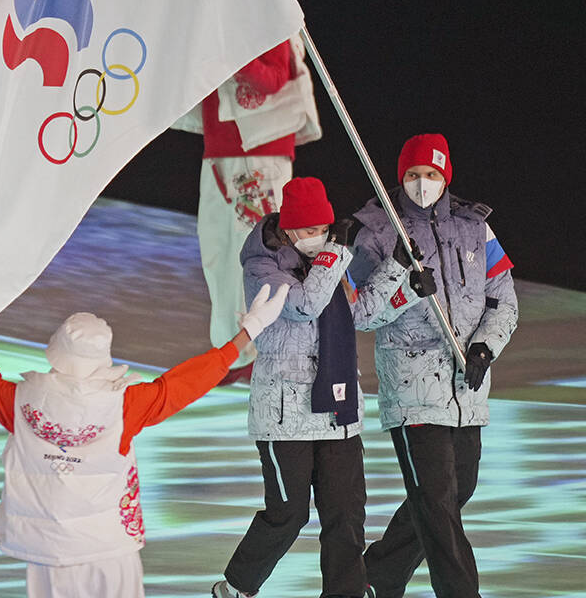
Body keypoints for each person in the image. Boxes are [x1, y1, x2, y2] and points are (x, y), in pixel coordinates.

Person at [0, 278, 290, 598]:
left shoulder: (19, 402)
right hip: (109, 549)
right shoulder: (127, 405)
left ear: (55, 350)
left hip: (46, 554)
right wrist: (248, 330)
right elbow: (186, 382)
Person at [211, 177, 436, 598]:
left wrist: (401, 276)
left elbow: (362, 314)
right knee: (288, 515)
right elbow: (303, 305)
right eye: (309, 231)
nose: (317, 239)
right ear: (289, 229)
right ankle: (237, 585)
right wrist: (335, 251)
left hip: (337, 414)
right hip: (286, 418)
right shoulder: (262, 267)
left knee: (346, 515)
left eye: (323, 230)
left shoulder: (330, 262)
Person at [350, 134, 518, 598]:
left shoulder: (474, 229)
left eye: (430, 175)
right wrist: (399, 277)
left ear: (446, 176)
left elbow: (504, 301)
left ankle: (375, 576)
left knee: (455, 490)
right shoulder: (379, 232)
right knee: (438, 504)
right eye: (411, 175)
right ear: (398, 178)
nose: (421, 184)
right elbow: (358, 314)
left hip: (465, 387)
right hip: (412, 390)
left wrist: (485, 348)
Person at [171, 36, 321, 383]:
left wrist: (221, 54)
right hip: (222, 146)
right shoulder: (225, 19)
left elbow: (272, 78)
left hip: (260, 148)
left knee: (259, 254)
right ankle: (232, 349)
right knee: (217, 251)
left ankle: (262, 345)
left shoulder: (265, 15)